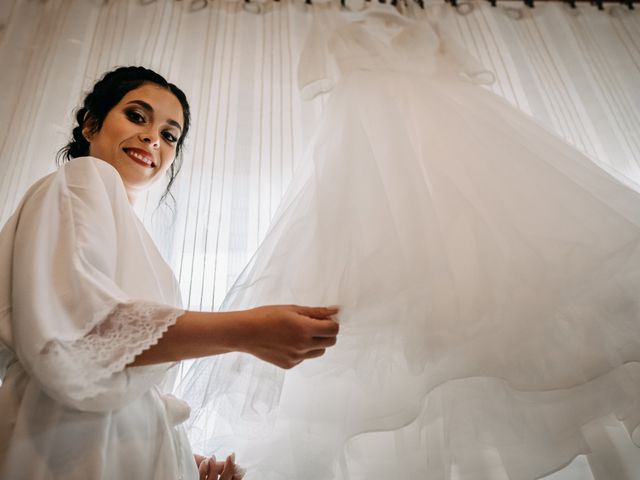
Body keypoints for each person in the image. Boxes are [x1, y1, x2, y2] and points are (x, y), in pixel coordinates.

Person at [176, 2, 640, 479]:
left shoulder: (425, 13)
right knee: (395, 242)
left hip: (456, 128)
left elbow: (466, 67)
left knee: (480, 233)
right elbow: (319, 77)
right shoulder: (334, 15)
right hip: (373, 132)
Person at [0, 66, 340, 480]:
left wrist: (180, 457)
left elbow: (123, 374)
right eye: (138, 117)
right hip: (69, 452)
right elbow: (79, 334)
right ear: (91, 124)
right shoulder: (85, 179)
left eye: (169, 135)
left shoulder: (124, 226)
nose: (152, 138)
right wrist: (248, 332)